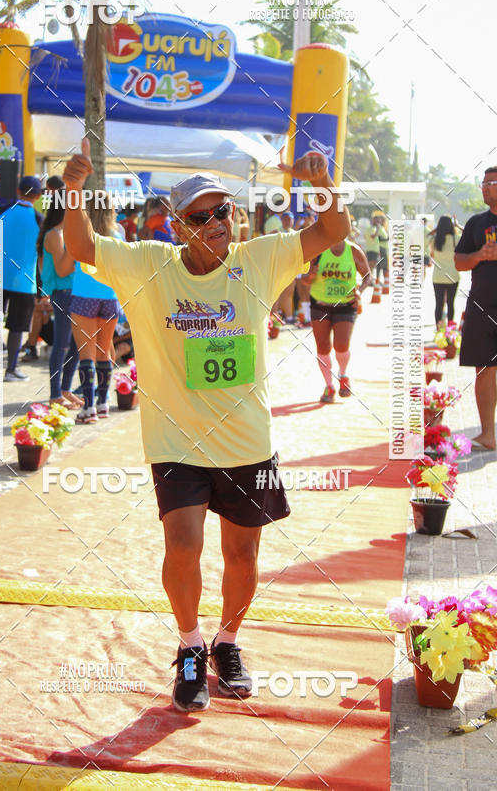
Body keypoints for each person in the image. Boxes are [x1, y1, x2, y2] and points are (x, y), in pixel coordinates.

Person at [63, 141, 350, 712]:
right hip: (177, 441)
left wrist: (324, 187)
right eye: (201, 216)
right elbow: (81, 247)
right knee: (184, 543)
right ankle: (191, 645)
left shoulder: (261, 258)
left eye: (224, 212)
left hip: (248, 441)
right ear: (177, 226)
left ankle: (228, 642)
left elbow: (331, 232)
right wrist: (73, 193)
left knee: (242, 555)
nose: (217, 224)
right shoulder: (149, 264)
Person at [454, 167, 497, 451]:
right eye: (483, 183)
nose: (484, 188)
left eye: (491, 183)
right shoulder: (475, 223)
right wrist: (480, 255)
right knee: (484, 367)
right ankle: (488, 434)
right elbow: (458, 262)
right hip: (482, 304)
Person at [69, 191, 121, 422]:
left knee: (86, 354)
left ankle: (88, 406)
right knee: (104, 351)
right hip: (109, 296)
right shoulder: (118, 233)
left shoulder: (82, 231)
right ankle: (103, 403)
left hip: (83, 294)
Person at [301, 238, 371, 402]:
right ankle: (329, 385)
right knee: (323, 347)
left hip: (346, 304)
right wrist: (311, 275)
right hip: (320, 304)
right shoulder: (318, 250)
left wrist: (360, 291)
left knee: (341, 345)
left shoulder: (353, 251)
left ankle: (343, 374)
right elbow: (303, 280)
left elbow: (368, 276)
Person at [0, 176, 43, 381]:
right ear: (38, 196)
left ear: (18, 190)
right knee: (16, 327)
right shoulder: (39, 219)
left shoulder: (1, 212)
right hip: (25, 281)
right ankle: (10, 369)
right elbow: (42, 255)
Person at [36, 199, 81, 408]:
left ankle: (65, 389)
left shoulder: (61, 233)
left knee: (76, 345)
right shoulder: (55, 235)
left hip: (73, 291)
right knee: (62, 344)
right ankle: (56, 393)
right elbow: (62, 270)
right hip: (62, 293)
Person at [430, 215, 461, 327]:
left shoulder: (435, 240)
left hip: (437, 276)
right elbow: (468, 235)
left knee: (439, 304)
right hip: (453, 276)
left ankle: (439, 329)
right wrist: (457, 226)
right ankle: (450, 329)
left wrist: (435, 230)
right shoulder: (456, 239)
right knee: (450, 304)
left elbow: (431, 254)